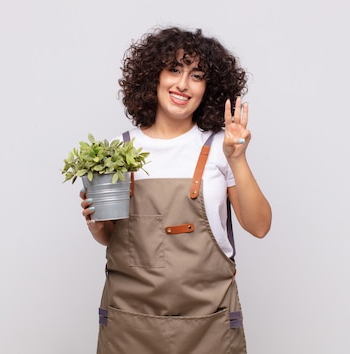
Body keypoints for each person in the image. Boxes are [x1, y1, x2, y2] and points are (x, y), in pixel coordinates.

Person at [79, 26, 272, 354]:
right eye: (174, 70)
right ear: (153, 76)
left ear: (208, 88)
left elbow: (259, 226)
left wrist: (237, 159)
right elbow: (114, 239)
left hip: (208, 325)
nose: (183, 84)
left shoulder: (219, 149)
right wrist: (97, 224)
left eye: (196, 75)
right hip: (130, 325)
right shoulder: (116, 151)